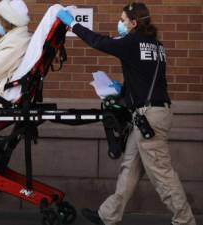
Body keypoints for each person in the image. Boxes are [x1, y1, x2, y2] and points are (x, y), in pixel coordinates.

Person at [57, 2, 196, 225]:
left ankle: (185, 220)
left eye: (123, 20)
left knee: (162, 174)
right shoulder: (156, 46)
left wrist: (73, 24)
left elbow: (99, 41)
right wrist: (120, 91)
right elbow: (144, 77)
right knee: (129, 166)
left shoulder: (131, 41)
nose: (120, 24)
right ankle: (108, 215)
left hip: (149, 117)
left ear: (133, 23)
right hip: (153, 113)